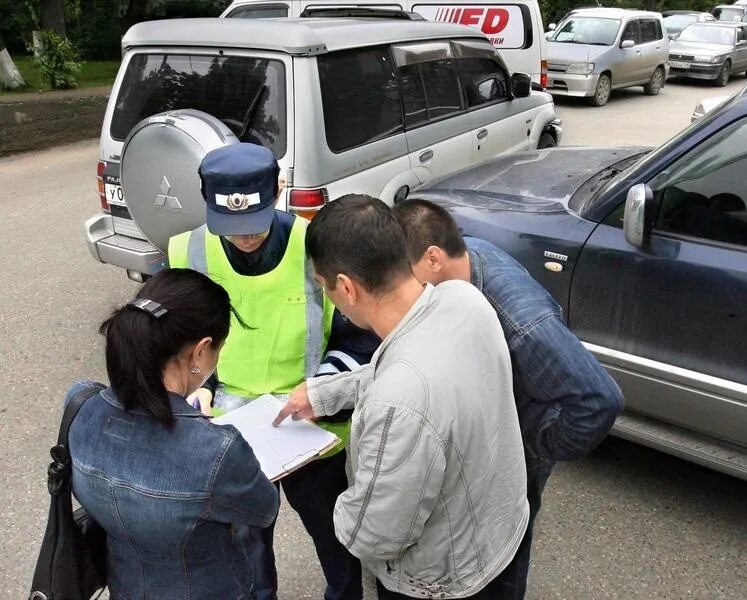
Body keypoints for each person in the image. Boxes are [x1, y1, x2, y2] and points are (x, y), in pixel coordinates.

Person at [274, 194, 529, 599]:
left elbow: (374, 534)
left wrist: (328, 507)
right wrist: (323, 394)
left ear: (346, 287)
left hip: (441, 582)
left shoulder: (397, 404)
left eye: (324, 287)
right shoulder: (462, 299)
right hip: (497, 538)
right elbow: (400, 370)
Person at [393, 199, 625, 600]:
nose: (403, 288)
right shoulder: (465, 264)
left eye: (404, 274)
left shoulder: (521, 321)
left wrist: (533, 446)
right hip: (491, 427)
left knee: (507, 544)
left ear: (433, 258)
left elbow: (599, 400)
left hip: (520, 442)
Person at [168, 142, 362, 600]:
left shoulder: (317, 247)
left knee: (334, 537)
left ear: (277, 191)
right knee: (245, 546)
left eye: (253, 224)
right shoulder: (188, 251)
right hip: (231, 426)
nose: (244, 237)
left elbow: (358, 332)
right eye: (231, 226)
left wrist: (323, 388)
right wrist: (196, 387)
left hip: (311, 421)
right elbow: (174, 341)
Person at [67, 268, 279, 598]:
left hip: (124, 585)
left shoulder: (80, 405)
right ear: (200, 351)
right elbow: (263, 509)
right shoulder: (217, 451)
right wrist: (203, 430)